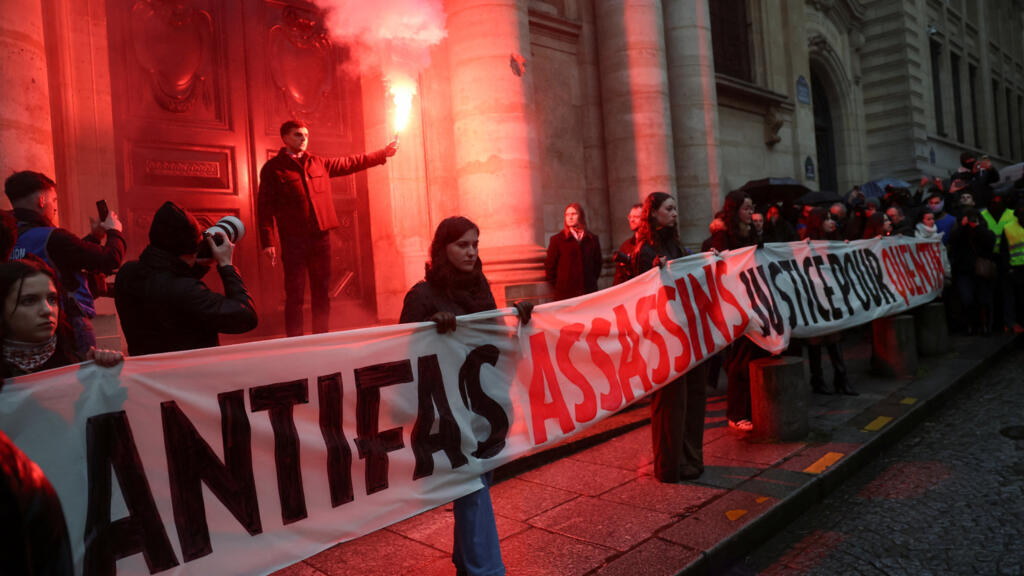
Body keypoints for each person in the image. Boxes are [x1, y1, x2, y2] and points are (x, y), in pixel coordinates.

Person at [400, 216, 530, 576]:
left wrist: (520, 320)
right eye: (462, 245)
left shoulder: (481, 288)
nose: (471, 252)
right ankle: (485, 570)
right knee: (472, 489)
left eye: (475, 244)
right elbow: (401, 353)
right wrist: (430, 332)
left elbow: (499, 343)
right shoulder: (422, 295)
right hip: (447, 415)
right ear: (443, 248)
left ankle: (466, 561)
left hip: (486, 410)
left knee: (475, 489)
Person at [258, 120, 398, 337]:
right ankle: (294, 341)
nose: (303, 138)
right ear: (285, 138)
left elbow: (351, 162)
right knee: (294, 294)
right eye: (297, 135)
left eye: (305, 134)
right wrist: (267, 241)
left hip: (320, 239)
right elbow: (264, 208)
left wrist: (382, 154)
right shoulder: (273, 169)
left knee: (321, 292)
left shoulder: (318, 163)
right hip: (293, 240)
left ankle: (321, 337)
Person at [4, 171, 126, 357]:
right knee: (79, 377)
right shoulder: (55, 237)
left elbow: (61, 256)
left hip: (16, 328)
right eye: (54, 200)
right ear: (42, 200)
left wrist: (94, 237)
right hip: (65, 325)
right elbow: (109, 259)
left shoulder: (7, 236)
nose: (55, 208)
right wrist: (114, 231)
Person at [115, 201, 258, 356]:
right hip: (192, 375)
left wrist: (197, 266)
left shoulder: (127, 273)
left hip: (147, 373)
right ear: (190, 250)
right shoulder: (185, 291)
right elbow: (246, 317)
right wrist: (226, 266)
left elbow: (165, 289)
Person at [634, 192, 708, 481]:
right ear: (653, 214)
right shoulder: (645, 251)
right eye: (669, 208)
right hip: (664, 338)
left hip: (687, 332)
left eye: (676, 208)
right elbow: (640, 294)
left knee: (692, 400)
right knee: (670, 404)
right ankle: (669, 466)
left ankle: (692, 460)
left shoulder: (676, 246)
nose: (675, 213)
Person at [0, 258, 122, 379]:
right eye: (29, 300)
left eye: (52, 299)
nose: (47, 310)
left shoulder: (78, 367)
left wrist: (97, 377)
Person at [709, 190, 765, 432]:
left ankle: (753, 408)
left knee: (753, 355)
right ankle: (736, 412)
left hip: (755, 299)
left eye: (752, 207)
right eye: (746, 208)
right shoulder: (723, 236)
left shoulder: (752, 232)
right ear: (734, 210)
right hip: (735, 303)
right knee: (739, 359)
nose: (750, 212)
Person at [803, 208, 856, 395]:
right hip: (815, 294)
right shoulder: (805, 244)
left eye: (831, 218)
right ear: (817, 223)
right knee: (816, 337)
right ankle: (817, 380)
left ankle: (841, 379)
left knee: (834, 335)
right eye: (826, 219)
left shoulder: (836, 241)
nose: (831, 222)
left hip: (833, 293)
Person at [948, 209, 996, 335]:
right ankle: (970, 325)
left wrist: (977, 227)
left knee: (984, 299)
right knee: (966, 299)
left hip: (981, 269)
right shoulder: (960, 232)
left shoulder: (983, 230)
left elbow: (990, 241)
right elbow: (952, 241)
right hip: (964, 270)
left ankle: (985, 326)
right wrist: (963, 227)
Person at [544, 203, 602, 300]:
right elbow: (550, 267)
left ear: (581, 216)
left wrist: (589, 281)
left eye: (573, 214)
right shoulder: (557, 240)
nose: (570, 217)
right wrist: (561, 286)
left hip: (588, 293)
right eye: (567, 215)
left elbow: (597, 265)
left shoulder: (592, 239)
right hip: (565, 295)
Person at [612, 203, 643, 285]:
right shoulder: (625, 246)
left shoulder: (653, 243)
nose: (631, 220)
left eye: (636, 217)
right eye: (630, 217)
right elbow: (619, 277)